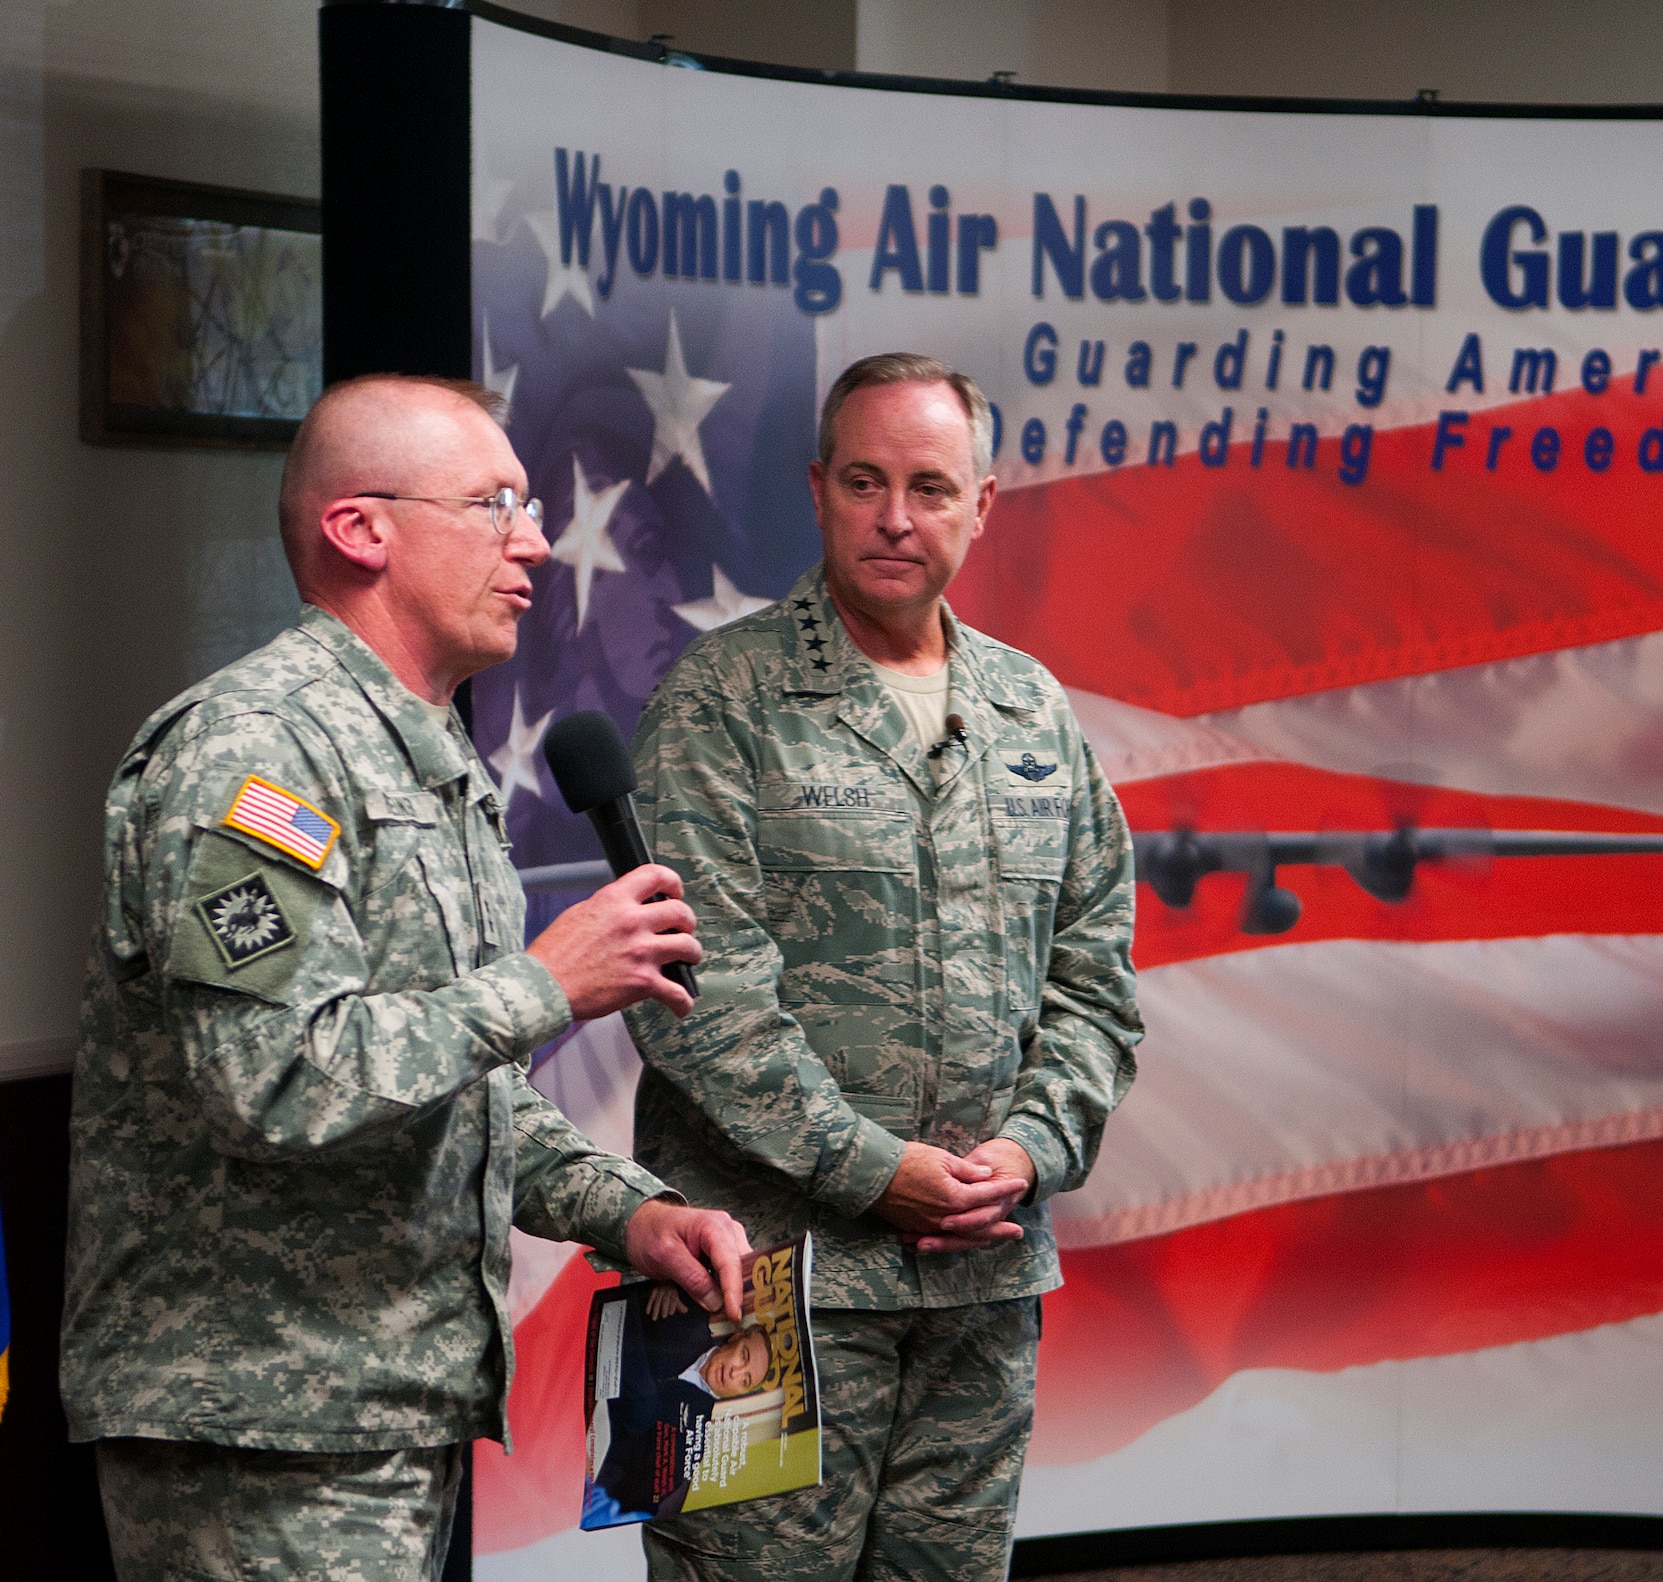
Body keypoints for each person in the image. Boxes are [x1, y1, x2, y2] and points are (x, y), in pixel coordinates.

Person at [61, 375, 753, 1582]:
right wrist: (543, 986)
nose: (533, 538)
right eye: (495, 503)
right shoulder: (256, 753)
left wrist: (628, 1212)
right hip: (261, 1425)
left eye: (530, 506)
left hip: (385, 1406)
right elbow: (278, 1078)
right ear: (360, 529)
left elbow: (456, 1084)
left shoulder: (427, 756)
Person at [624, 353, 1144, 1581]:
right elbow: (698, 999)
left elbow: (1095, 976)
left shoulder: (1030, 710)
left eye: (926, 485)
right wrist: (874, 1172)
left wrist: (1029, 1151)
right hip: (755, 1285)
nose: (894, 517)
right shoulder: (721, 702)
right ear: (816, 490)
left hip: (978, 1279)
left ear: (983, 504)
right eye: (863, 481)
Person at [593, 1290, 776, 1520]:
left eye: (745, 1380)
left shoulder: (696, 1437)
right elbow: (623, 1304)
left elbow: (636, 1494)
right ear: (736, 1337)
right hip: (585, 1336)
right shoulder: (685, 1311)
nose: (735, 1372)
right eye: (744, 1356)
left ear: (743, 1392)